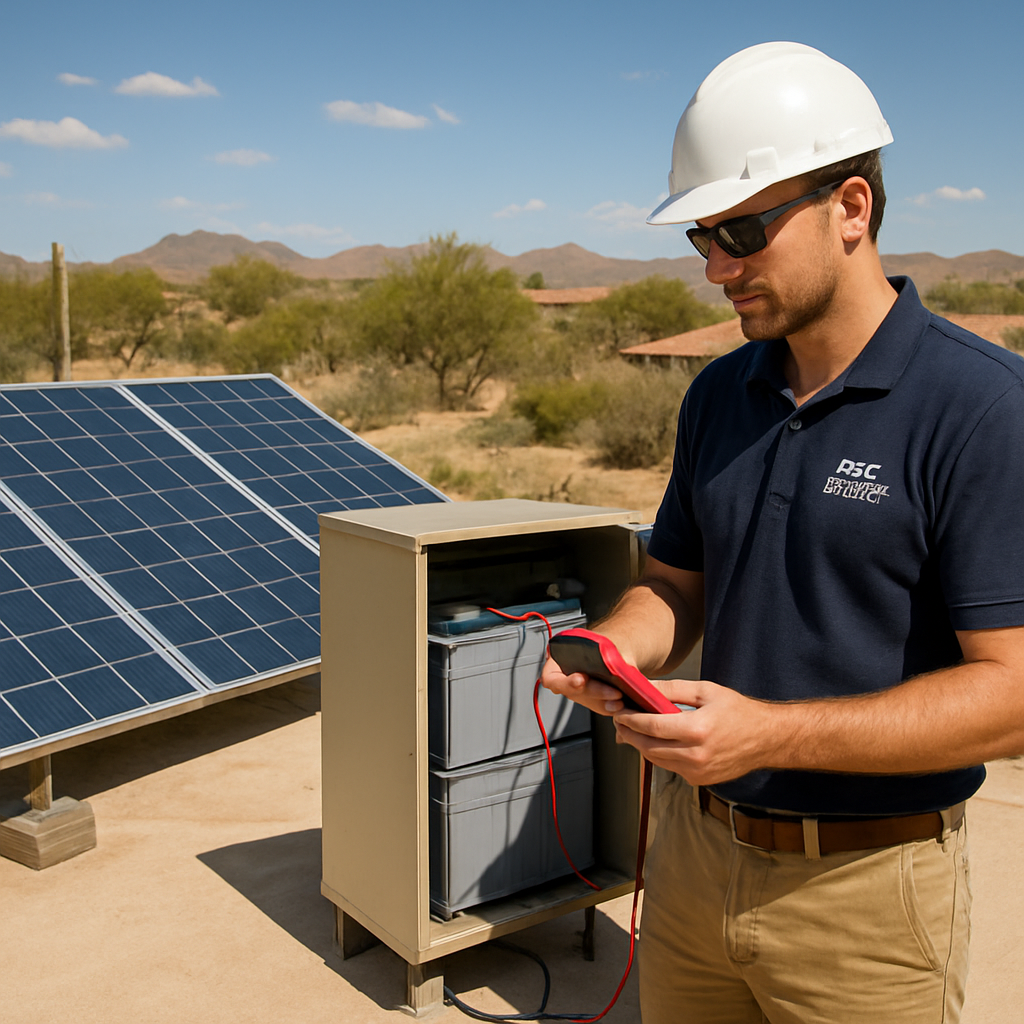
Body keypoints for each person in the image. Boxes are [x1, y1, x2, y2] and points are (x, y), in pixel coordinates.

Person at [541, 41, 1024, 1024]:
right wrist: (618, 646)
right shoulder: (722, 393)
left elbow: (1013, 696)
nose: (717, 267)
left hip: (867, 900)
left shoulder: (979, 408)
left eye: (744, 230)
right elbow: (675, 582)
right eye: (701, 237)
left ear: (851, 209)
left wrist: (770, 733)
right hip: (689, 865)